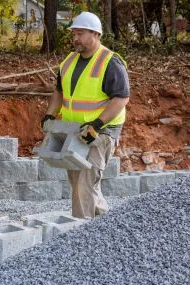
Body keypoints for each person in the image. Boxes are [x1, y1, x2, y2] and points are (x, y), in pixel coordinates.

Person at [41, 11, 130, 219]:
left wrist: (97, 125)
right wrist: (50, 115)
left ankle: (79, 234)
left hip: (101, 131)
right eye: (74, 34)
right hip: (75, 130)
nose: (75, 39)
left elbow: (121, 98)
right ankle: (103, 225)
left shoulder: (110, 62)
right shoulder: (69, 61)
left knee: (85, 183)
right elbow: (59, 92)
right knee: (79, 182)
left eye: (80, 34)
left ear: (95, 34)